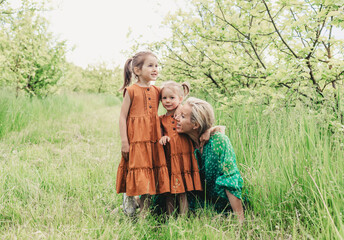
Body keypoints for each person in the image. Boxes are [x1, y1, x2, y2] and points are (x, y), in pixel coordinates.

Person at [116, 51, 170, 217]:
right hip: (136, 140)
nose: (155, 69)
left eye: (156, 65)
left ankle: (145, 212)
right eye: (150, 65)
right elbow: (122, 117)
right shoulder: (131, 91)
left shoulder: (157, 90)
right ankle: (129, 202)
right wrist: (125, 142)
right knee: (134, 170)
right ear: (137, 70)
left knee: (148, 173)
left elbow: (173, 97)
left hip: (152, 140)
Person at [175, 97, 245, 222]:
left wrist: (241, 220)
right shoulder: (184, 141)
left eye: (183, 116)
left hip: (222, 203)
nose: (177, 119)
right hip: (196, 206)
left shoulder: (218, 141)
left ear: (195, 125)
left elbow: (230, 179)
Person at [158, 81, 202, 215]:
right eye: (164, 98)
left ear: (180, 99)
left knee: (182, 190)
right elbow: (160, 134)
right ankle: (170, 216)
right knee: (169, 191)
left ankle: (184, 217)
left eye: (172, 98)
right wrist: (163, 137)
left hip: (184, 157)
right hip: (170, 158)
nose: (167, 101)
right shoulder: (161, 119)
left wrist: (180, 111)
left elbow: (195, 122)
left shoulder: (182, 115)